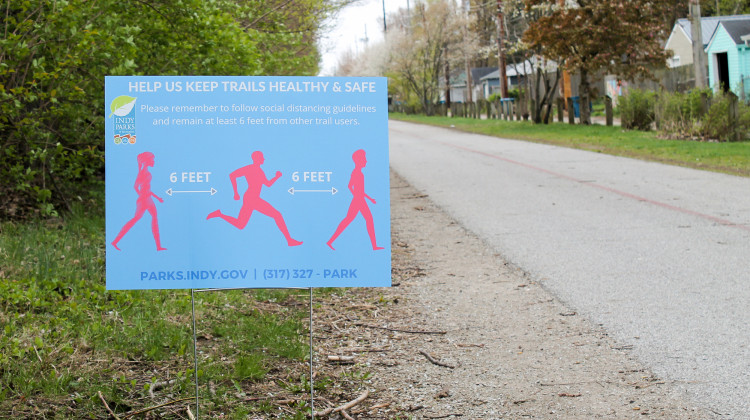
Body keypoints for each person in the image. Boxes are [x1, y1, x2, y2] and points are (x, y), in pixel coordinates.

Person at [207, 151, 302, 247]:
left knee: (241, 224)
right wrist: (236, 192)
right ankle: (289, 240)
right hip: (250, 199)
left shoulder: (260, 171)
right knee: (276, 215)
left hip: (254, 198)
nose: (264, 159)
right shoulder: (249, 168)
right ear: (257, 159)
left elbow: (268, 184)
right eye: (262, 157)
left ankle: (219, 214)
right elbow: (232, 175)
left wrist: (276, 177)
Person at [327, 149, 383, 251]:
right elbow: (349, 186)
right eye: (364, 159)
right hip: (358, 201)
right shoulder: (356, 173)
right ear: (359, 160)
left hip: (360, 200)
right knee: (351, 220)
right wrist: (356, 196)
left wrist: (369, 199)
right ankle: (330, 241)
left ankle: (374, 246)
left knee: (363, 220)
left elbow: (360, 190)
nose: (366, 161)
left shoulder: (359, 173)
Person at [112, 151, 166, 251]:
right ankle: (115, 241)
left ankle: (158, 246)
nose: (154, 161)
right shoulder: (143, 172)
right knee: (136, 219)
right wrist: (142, 196)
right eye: (152, 159)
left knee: (154, 219)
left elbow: (146, 188)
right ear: (147, 160)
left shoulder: (146, 172)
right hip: (144, 200)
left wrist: (157, 198)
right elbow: (135, 186)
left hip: (148, 199)